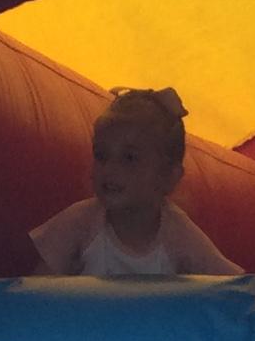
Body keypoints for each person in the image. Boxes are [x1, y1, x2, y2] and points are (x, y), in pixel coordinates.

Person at [29, 88, 242, 281]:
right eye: (101, 155)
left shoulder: (178, 235)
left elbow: (230, 287)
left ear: (168, 176)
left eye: (129, 158)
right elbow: (37, 292)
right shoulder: (81, 223)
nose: (110, 168)